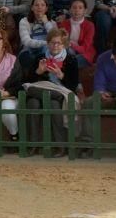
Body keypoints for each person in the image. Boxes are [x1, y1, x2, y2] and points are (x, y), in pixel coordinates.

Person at [25, 28, 80, 156]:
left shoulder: (71, 59)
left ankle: (60, 146)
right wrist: (38, 71)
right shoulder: (40, 57)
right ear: (48, 43)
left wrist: (61, 75)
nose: (55, 46)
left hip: (61, 90)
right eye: (52, 43)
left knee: (54, 105)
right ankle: (33, 145)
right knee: (32, 103)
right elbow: (28, 81)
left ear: (63, 44)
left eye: (58, 43)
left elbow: (73, 85)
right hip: (41, 89)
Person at [18, 0, 56, 72]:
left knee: (48, 53)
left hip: (45, 51)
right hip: (29, 50)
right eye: (36, 5)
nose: (39, 7)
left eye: (42, 5)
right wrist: (46, 43)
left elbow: (55, 39)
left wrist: (46, 22)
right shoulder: (24, 21)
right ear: (32, 8)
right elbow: (26, 41)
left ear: (46, 9)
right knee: (25, 57)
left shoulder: (52, 23)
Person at [59, 0, 96, 68]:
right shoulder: (64, 24)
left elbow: (85, 48)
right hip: (67, 51)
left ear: (85, 11)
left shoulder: (90, 25)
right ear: (70, 10)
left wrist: (70, 44)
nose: (77, 10)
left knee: (71, 62)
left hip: (84, 54)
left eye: (80, 8)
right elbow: (61, 43)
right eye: (74, 7)